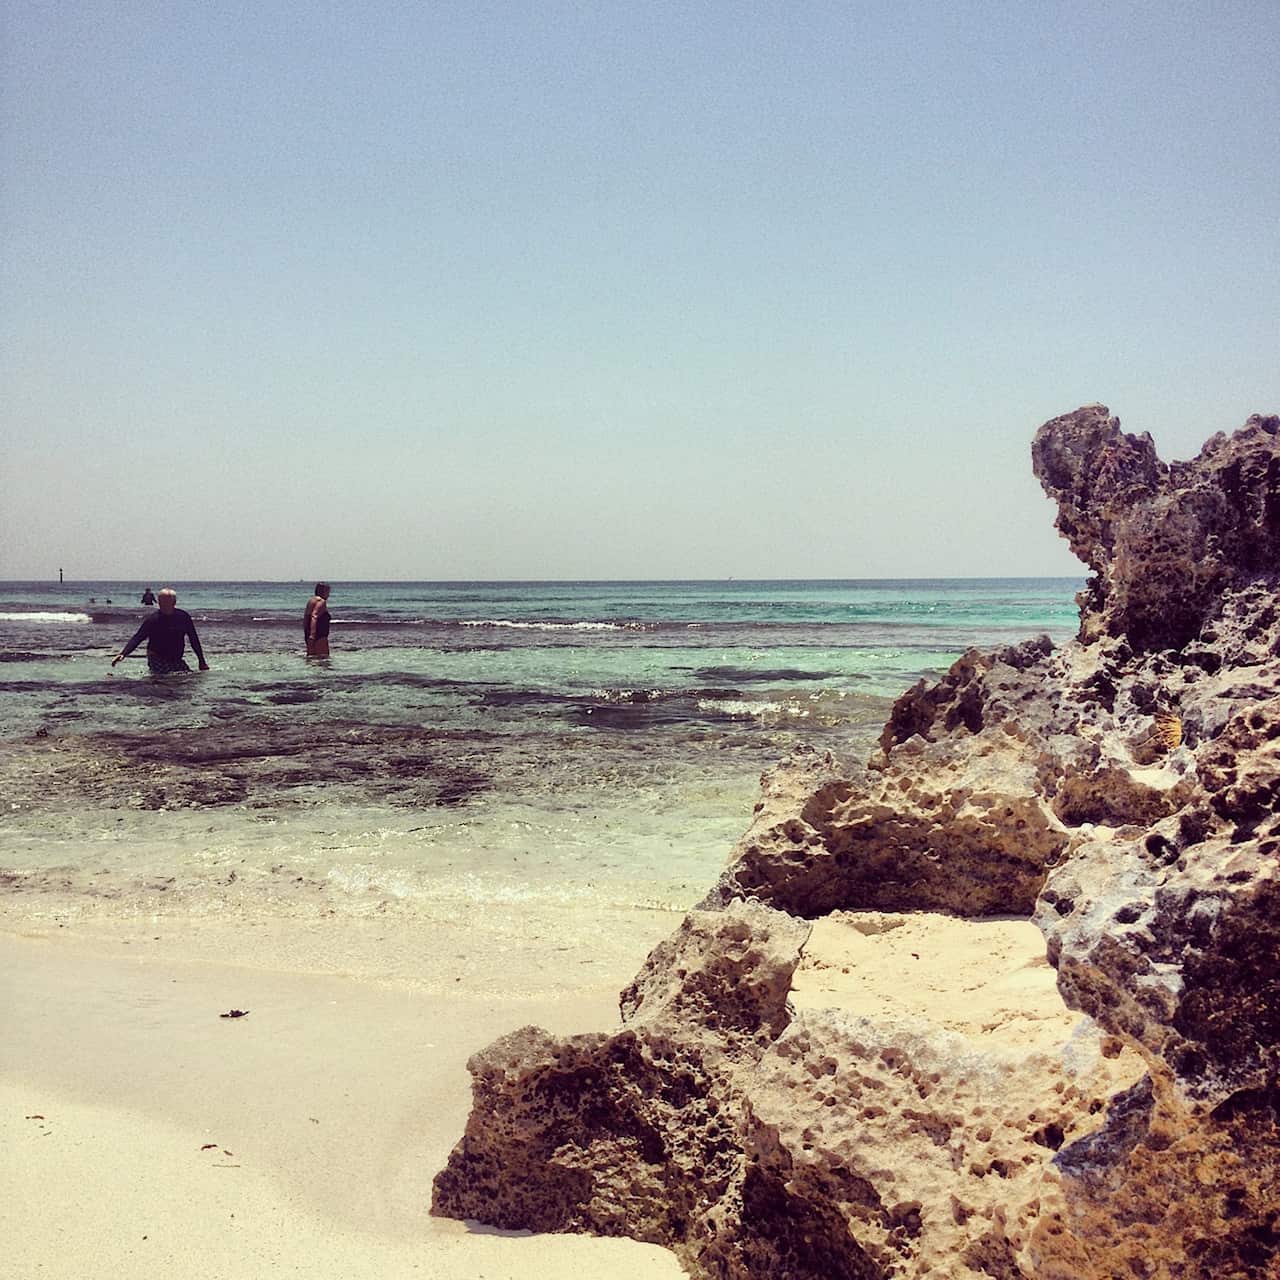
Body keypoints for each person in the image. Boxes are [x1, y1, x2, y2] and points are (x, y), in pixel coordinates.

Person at [111, 588, 209, 674]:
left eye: (167, 602)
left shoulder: (183, 617)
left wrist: (201, 661)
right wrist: (123, 653)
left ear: (174, 602)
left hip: (175, 658)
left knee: (188, 677)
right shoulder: (153, 620)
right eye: (161, 603)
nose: (164, 605)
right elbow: (138, 637)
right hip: (156, 657)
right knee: (165, 679)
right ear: (158, 603)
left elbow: (194, 639)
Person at [304, 582, 331, 657]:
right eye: (328, 592)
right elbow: (314, 615)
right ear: (323, 591)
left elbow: (306, 618)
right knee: (324, 659)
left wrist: (307, 634)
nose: (329, 595)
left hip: (308, 633)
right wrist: (313, 634)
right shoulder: (321, 601)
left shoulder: (311, 601)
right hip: (319, 634)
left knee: (312, 659)